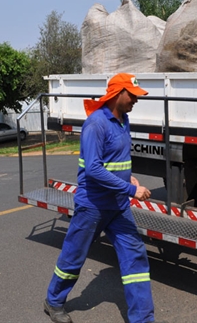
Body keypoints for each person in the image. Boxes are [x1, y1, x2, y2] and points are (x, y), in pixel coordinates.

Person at [44, 73, 155, 323]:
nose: (136, 100)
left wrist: (129, 179)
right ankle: (53, 301)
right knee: (73, 256)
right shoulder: (95, 124)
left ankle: (143, 319)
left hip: (118, 206)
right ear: (118, 94)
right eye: (133, 95)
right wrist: (130, 190)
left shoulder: (123, 120)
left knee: (135, 258)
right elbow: (93, 169)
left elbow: (115, 161)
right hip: (93, 205)